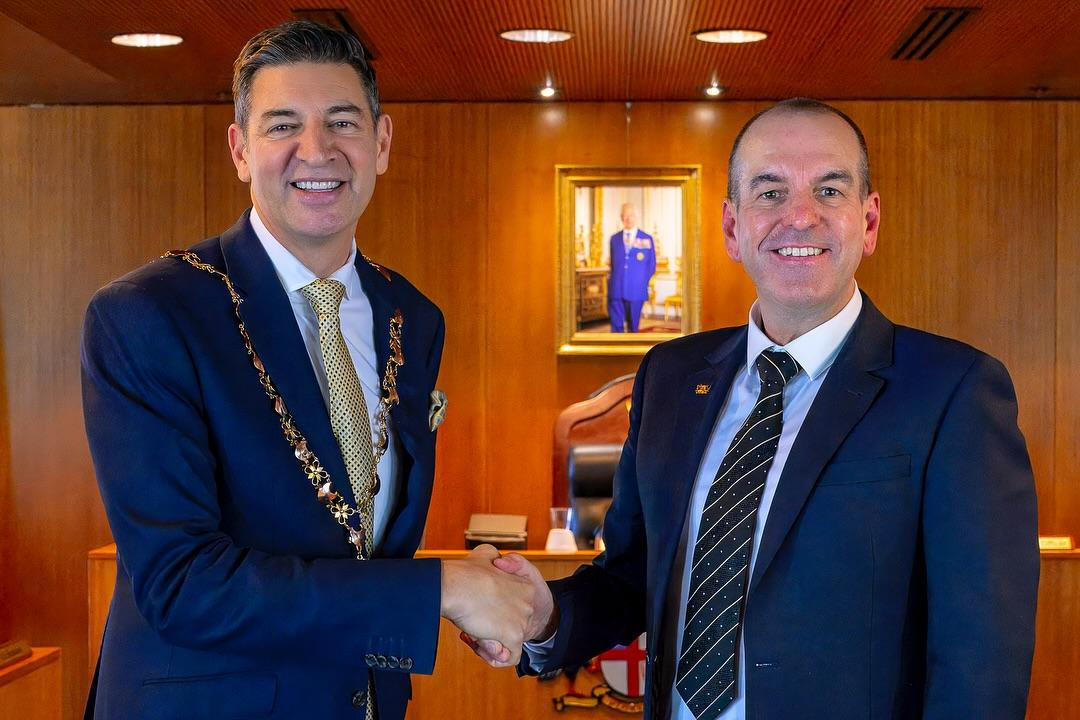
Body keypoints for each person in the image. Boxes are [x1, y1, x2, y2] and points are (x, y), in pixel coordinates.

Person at [485, 98, 1040, 719]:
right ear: (732, 227)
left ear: (869, 221)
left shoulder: (955, 390)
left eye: (829, 190)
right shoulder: (669, 377)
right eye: (771, 193)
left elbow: (982, 661)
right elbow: (634, 578)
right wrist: (545, 614)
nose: (800, 216)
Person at [81, 21, 534, 720]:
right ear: (240, 150)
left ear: (381, 143)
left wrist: (474, 588)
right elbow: (182, 583)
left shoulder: (414, 316)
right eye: (283, 124)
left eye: (342, 122)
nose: (316, 150)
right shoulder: (149, 313)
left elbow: (365, 538)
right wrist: (443, 590)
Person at [608, 203, 657, 332]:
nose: (629, 218)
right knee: (616, 328)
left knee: (633, 328)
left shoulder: (646, 238)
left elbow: (651, 265)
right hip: (616, 289)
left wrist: (641, 282)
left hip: (636, 289)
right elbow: (613, 264)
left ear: (636, 217)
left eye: (632, 215)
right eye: (626, 215)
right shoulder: (614, 239)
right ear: (621, 217)